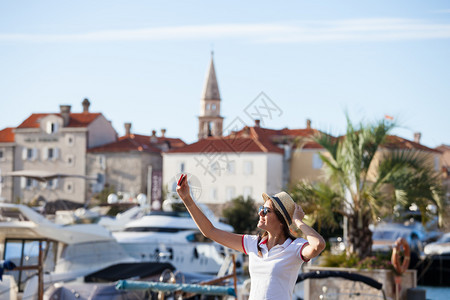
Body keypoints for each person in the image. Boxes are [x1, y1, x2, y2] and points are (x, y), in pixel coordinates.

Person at [176, 174, 326, 300]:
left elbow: (318, 244)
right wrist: (187, 198)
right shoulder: (253, 243)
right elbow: (210, 231)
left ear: (281, 221)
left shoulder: (295, 247)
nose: (260, 213)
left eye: (266, 211)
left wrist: (297, 221)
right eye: (261, 208)